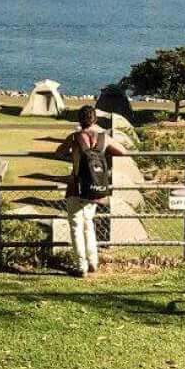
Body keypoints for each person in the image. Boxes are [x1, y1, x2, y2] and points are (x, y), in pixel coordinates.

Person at [53, 104, 128, 276]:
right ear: (95, 119)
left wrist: (72, 155)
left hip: (76, 186)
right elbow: (123, 152)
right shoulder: (104, 137)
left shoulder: (75, 137)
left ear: (79, 120)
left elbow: (58, 153)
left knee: (76, 226)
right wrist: (103, 154)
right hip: (94, 186)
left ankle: (81, 265)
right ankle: (93, 261)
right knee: (88, 224)